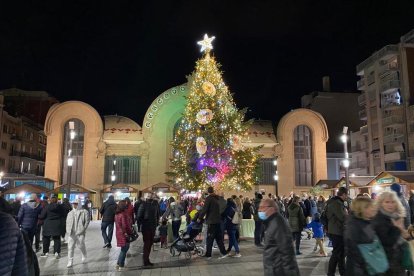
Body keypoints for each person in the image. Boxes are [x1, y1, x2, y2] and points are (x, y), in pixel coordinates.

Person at [259, 198, 300, 275]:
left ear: (272, 208)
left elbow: (287, 250)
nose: (260, 210)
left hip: (279, 270)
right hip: (274, 269)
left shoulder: (278, 223)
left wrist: (290, 272)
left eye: (262, 207)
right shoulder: (271, 222)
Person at [372, 191, 408, 276]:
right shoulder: (378, 218)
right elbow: (386, 242)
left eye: (393, 202)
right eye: (387, 202)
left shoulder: (397, 216)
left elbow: (403, 237)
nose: (390, 205)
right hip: (386, 262)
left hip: (398, 259)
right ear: (381, 203)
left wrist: (404, 232)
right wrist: (397, 228)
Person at [344, 197, 377, 276]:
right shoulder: (354, 225)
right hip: (359, 269)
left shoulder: (368, 221)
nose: (373, 209)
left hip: (367, 266)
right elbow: (354, 249)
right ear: (362, 209)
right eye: (370, 207)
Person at [197, 186, 229, 259]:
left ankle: (208, 255)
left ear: (208, 191)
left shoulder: (209, 199)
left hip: (211, 221)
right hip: (218, 220)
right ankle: (223, 252)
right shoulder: (216, 198)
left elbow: (205, 209)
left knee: (210, 238)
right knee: (218, 238)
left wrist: (199, 218)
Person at [326, 187, 348, 276]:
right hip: (337, 231)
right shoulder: (337, 203)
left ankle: (341, 272)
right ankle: (331, 273)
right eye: (347, 194)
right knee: (337, 253)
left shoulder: (334, 202)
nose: (347, 196)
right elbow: (342, 217)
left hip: (335, 230)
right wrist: (346, 213)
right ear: (343, 194)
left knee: (340, 253)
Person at [0, 211, 29, 275]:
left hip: (24, 224)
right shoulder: (8, 222)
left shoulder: (6, 221)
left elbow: (20, 215)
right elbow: (20, 266)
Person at [137, 192, 160, 267]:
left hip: (152, 227)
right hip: (146, 227)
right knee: (147, 243)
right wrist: (140, 225)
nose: (151, 197)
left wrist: (156, 224)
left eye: (152, 196)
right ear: (147, 197)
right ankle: (145, 261)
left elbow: (157, 215)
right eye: (149, 196)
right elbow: (139, 216)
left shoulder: (155, 205)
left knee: (150, 243)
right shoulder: (143, 205)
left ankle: (147, 260)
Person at [66, 199, 90, 268]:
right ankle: (70, 261)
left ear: (79, 203)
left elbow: (87, 222)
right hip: (72, 232)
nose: (74, 205)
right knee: (70, 247)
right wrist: (68, 231)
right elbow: (67, 222)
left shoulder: (84, 212)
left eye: (76, 203)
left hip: (80, 232)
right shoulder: (70, 213)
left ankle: (84, 255)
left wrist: (83, 229)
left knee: (81, 245)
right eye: (73, 203)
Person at [115, 200, 133, 271]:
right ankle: (121, 266)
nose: (126, 205)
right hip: (124, 234)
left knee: (123, 249)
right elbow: (126, 226)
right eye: (125, 204)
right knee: (124, 249)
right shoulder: (123, 214)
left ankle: (118, 264)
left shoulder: (117, 214)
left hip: (119, 233)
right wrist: (130, 232)